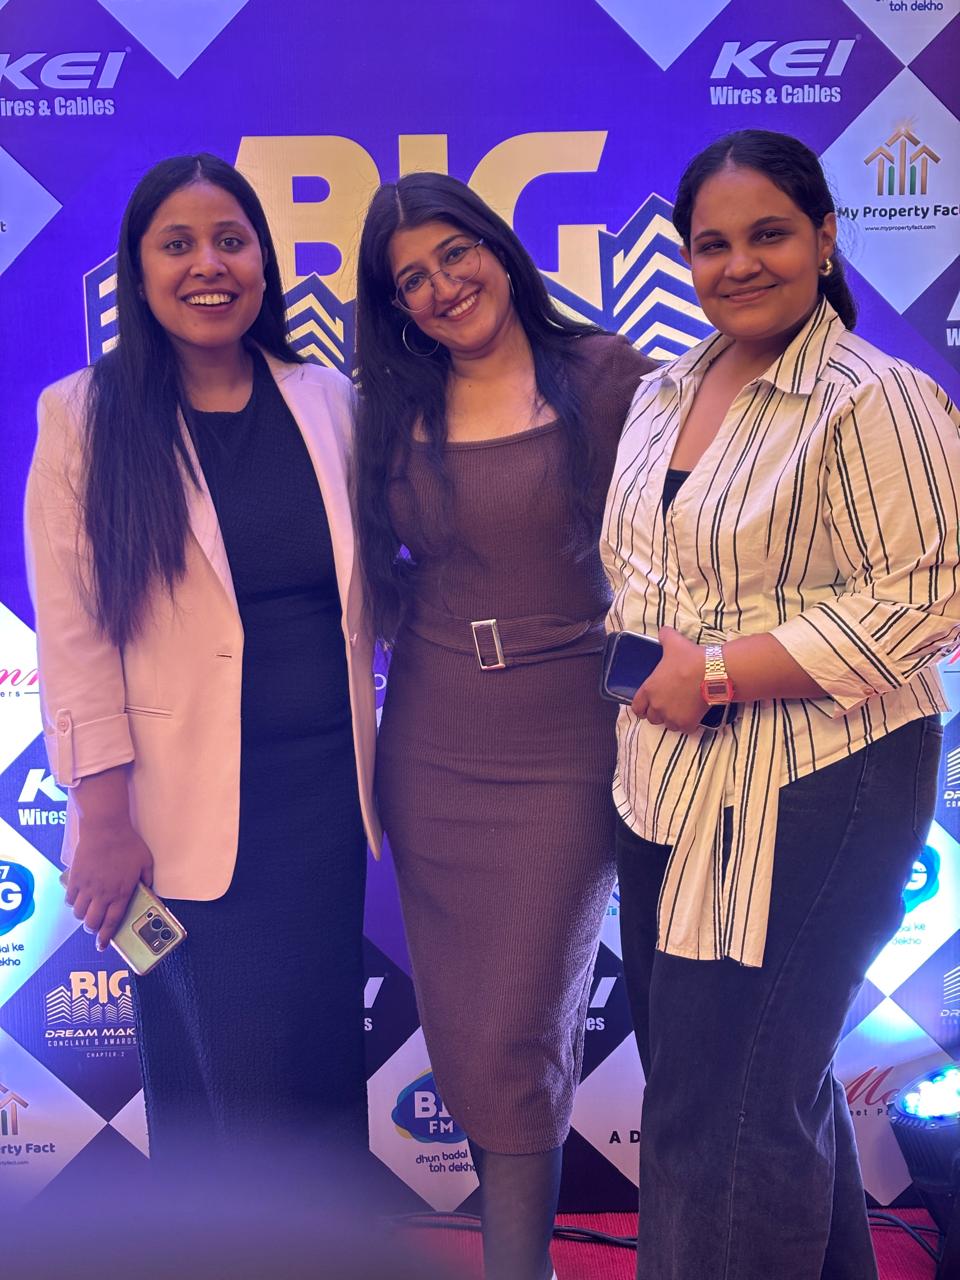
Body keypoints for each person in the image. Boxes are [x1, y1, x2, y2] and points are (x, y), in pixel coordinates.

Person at [601, 128, 960, 1280]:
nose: (740, 263)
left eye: (769, 233)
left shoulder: (877, 396)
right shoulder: (664, 390)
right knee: (740, 1084)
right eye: (713, 244)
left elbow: (926, 599)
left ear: (825, 237)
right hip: (665, 782)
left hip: (819, 781)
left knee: (731, 1109)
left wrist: (715, 671)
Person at [24, 154, 380, 1163]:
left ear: (264, 261)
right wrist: (102, 815)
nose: (208, 265)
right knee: (230, 1089)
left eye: (231, 240)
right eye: (177, 245)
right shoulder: (84, 416)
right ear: (138, 273)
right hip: (176, 817)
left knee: (318, 1072)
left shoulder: (329, 401)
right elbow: (74, 633)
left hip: (321, 807)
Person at [353, 171, 654, 1280]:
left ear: (498, 248)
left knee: (515, 1027)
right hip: (431, 745)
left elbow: (676, 558)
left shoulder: (609, 376)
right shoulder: (390, 409)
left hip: (569, 742)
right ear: (395, 307)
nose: (442, 286)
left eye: (456, 253)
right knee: (468, 1036)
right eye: (412, 280)